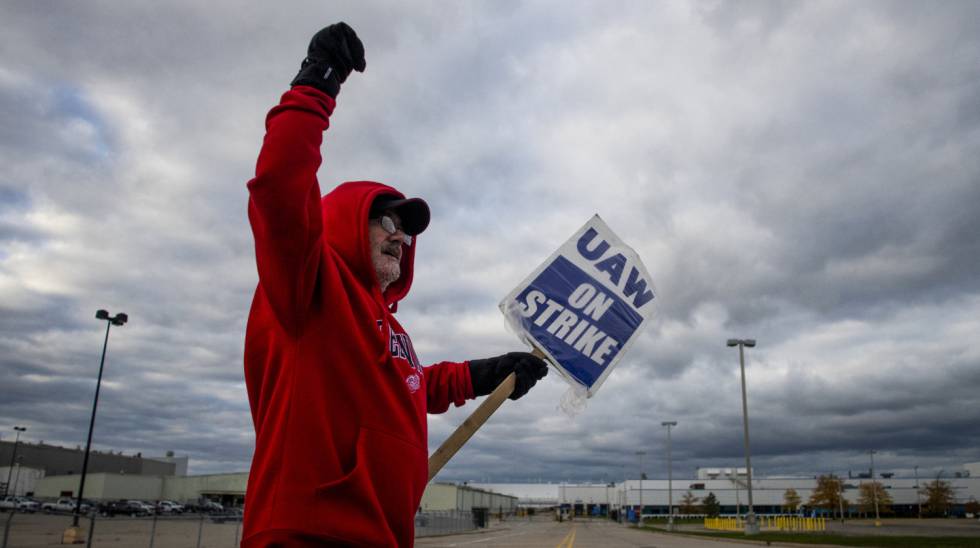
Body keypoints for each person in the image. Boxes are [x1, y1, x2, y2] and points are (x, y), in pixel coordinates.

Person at [242, 22, 548, 547]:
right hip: (309, 532)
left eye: (406, 230)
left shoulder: (386, 327)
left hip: (381, 534)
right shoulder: (307, 286)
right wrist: (317, 84)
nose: (401, 237)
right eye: (386, 221)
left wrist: (484, 374)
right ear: (343, 222)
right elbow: (278, 186)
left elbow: (411, 388)